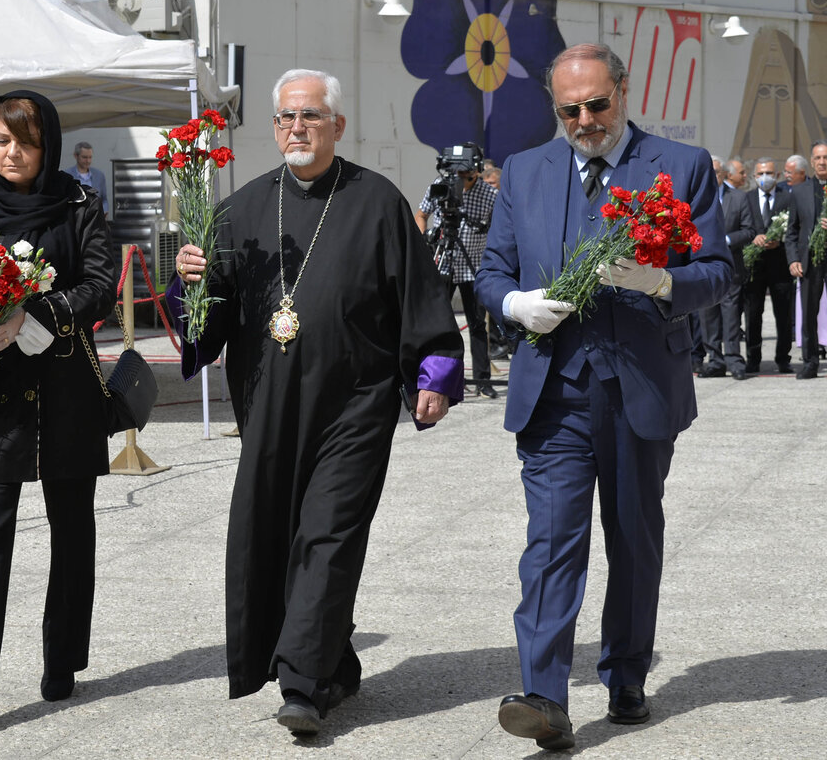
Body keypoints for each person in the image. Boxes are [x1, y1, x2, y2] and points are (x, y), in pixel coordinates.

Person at [172, 69, 464, 736]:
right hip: (268, 411)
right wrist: (187, 283)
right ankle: (334, 656)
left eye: (309, 115)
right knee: (277, 538)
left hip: (353, 409)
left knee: (328, 535)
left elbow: (422, 297)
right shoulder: (240, 211)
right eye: (283, 117)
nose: (295, 127)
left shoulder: (377, 201)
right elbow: (206, 328)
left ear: (336, 123)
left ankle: (301, 683)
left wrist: (434, 373)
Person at [475, 43, 731, 751]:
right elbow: (491, 273)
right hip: (553, 391)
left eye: (597, 104)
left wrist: (664, 284)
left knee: (634, 538)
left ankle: (625, 672)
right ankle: (543, 695)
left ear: (624, 89)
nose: (585, 120)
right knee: (552, 543)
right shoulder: (526, 171)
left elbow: (719, 268)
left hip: (640, 387)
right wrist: (517, 304)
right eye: (569, 110)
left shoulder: (681, 167)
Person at [0, 91, 117, 717]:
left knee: (73, 529)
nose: (13, 153)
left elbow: (99, 287)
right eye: (2, 140)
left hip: (67, 389)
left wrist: (32, 313)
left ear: (49, 145)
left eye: (26, 141)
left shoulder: (78, 205)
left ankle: (62, 657)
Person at [416, 145, 499, 397]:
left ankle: (482, 381)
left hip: (473, 267)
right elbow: (421, 214)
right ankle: (439, 379)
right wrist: (423, 246)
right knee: (438, 324)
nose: (461, 181)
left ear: (476, 172)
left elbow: (501, 228)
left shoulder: (489, 194)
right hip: (444, 262)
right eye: (458, 176)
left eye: (467, 176)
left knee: (476, 326)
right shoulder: (440, 185)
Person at [699, 157, 756, 378]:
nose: (712, 176)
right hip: (703, 267)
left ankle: (734, 360)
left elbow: (749, 231)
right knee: (708, 315)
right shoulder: (697, 198)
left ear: (724, 174)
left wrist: (726, 240)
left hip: (731, 266)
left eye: (715, 171)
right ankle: (715, 360)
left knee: (731, 315)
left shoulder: (739, 198)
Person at [744, 156, 795, 374]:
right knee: (753, 314)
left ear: (777, 175)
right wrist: (753, 238)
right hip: (754, 268)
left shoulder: (787, 199)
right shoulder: (746, 199)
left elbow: (794, 228)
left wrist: (780, 241)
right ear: (754, 176)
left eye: (769, 173)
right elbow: (741, 226)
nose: (765, 177)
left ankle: (783, 358)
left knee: (783, 315)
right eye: (761, 173)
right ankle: (753, 359)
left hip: (780, 266)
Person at [783, 139, 827, 378]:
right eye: (818, 158)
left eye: (826, 157)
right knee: (809, 313)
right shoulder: (799, 192)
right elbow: (791, 231)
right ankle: (810, 362)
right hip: (811, 262)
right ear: (811, 162)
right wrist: (793, 259)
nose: (822, 162)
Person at [63, 141, 108, 214]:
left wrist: (104, 211)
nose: (88, 161)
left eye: (90, 157)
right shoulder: (68, 175)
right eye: (84, 157)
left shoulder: (99, 175)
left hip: (95, 217)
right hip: (75, 217)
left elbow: (104, 199)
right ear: (75, 156)